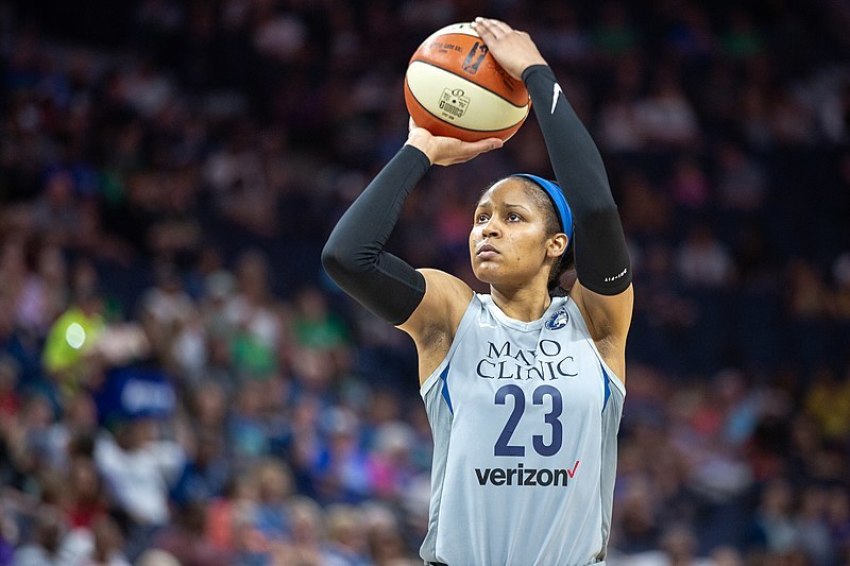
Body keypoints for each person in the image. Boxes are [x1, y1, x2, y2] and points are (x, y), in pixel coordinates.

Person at [323, 17, 633, 566]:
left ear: (556, 244)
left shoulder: (598, 323)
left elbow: (598, 210)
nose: (487, 228)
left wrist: (537, 74)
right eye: (480, 217)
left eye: (512, 218)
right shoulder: (452, 313)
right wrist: (419, 146)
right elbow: (347, 258)